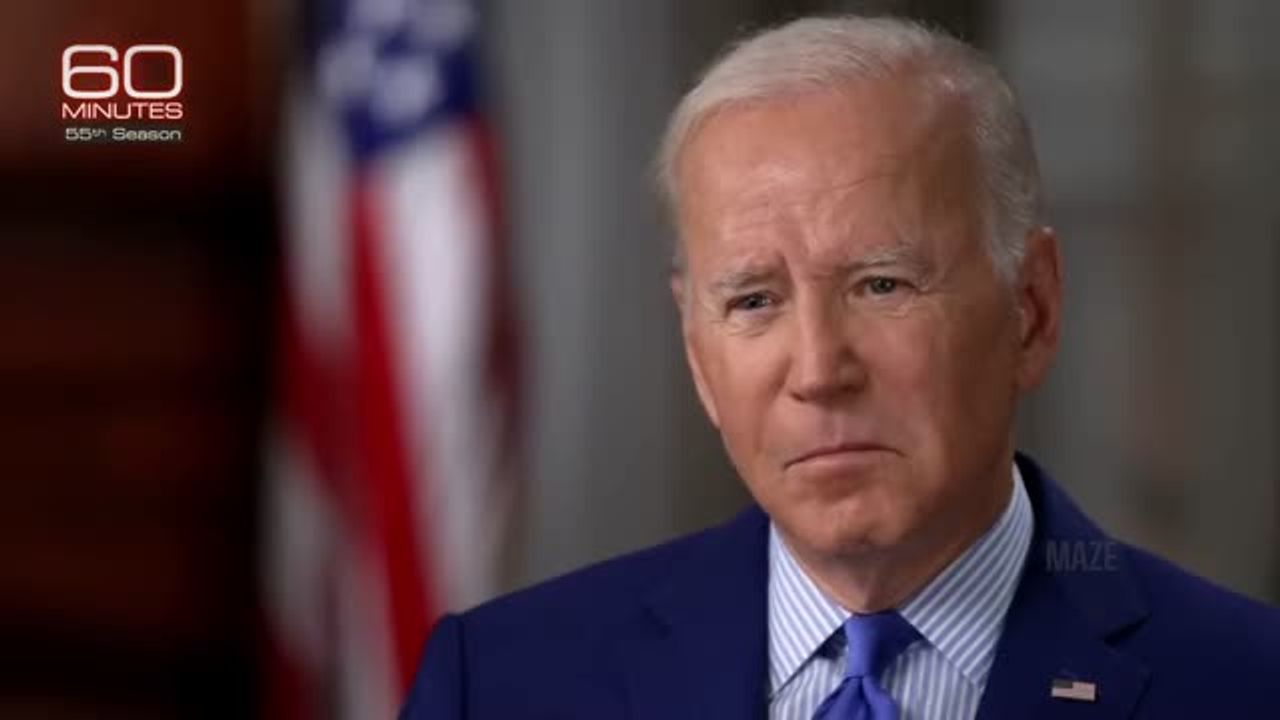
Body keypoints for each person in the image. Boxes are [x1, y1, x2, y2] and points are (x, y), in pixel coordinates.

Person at [400, 15, 1280, 719]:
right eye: (754, 301)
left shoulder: (1247, 683)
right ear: (698, 352)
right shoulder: (500, 685)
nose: (819, 371)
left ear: (1032, 309)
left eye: (882, 284)